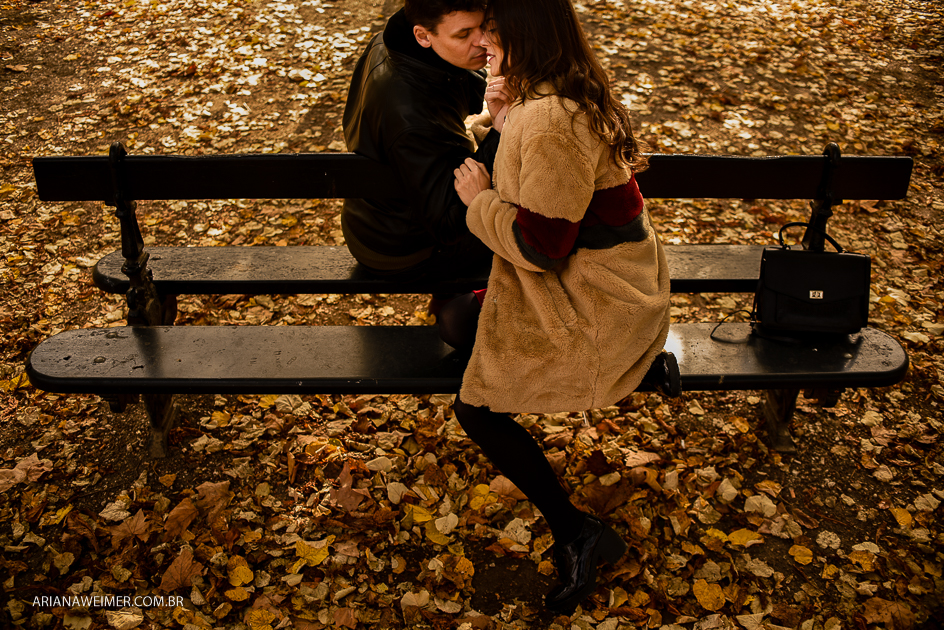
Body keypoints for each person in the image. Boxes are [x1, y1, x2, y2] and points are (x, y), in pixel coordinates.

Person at [444, 0, 679, 612]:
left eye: (492, 31)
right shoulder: (547, 97)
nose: (482, 43)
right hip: (605, 280)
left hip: (602, 304)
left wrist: (478, 203)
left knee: (475, 407)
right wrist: (499, 122)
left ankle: (577, 531)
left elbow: (541, 247)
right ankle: (643, 362)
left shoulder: (551, 119)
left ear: (525, 35)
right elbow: (540, 193)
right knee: (455, 318)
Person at [341, 0, 508, 293]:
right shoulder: (412, 118)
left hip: (372, 220)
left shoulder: (394, 42)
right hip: (401, 251)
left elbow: (465, 96)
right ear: (423, 36)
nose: (482, 41)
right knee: (528, 234)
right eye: (463, 34)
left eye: (483, 26)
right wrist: (498, 134)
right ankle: (462, 312)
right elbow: (447, 225)